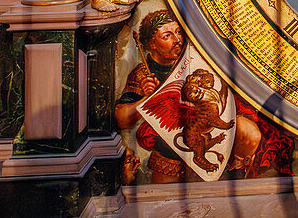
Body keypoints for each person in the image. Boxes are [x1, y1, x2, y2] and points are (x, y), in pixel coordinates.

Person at [115, 11, 268, 183]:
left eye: (179, 32)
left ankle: (236, 172)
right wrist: (148, 99)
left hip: (215, 129)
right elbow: (121, 119)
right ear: (153, 44)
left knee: (249, 132)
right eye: (167, 36)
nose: (177, 40)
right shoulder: (144, 74)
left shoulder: (196, 55)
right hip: (173, 148)